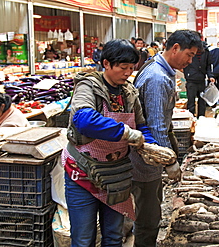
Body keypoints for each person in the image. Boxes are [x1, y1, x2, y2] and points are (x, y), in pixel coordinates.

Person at [62, 39, 157, 246]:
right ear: (106, 63)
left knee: (114, 236)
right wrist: (124, 132)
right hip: (83, 171)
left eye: (132, 68)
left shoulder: (129, 93)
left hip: (117, 174)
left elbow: (141, 127)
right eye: (123, 68)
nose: (128, 73)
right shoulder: (89, 86)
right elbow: (83, 120)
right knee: (83, 238)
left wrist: (153, 149)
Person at [131, 30, 202, 246]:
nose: (190, 61)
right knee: (148, 217)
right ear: (175, 48)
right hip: (146, 157)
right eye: (189, 55)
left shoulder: (160, 69)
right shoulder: (157, 78)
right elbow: (157, 126)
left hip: (148, 153)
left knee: (148, 210)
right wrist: (168, 161)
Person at [183, 41, 215, 117]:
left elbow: (208, 65)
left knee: (202, 101)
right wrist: (187, 75)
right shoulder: (189, 50)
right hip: (191, 79)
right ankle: (191, 118)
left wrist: (210, 76)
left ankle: (201, 117)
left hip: (201, 79)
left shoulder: (206, 51)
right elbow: (185, 63)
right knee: (191, 101)